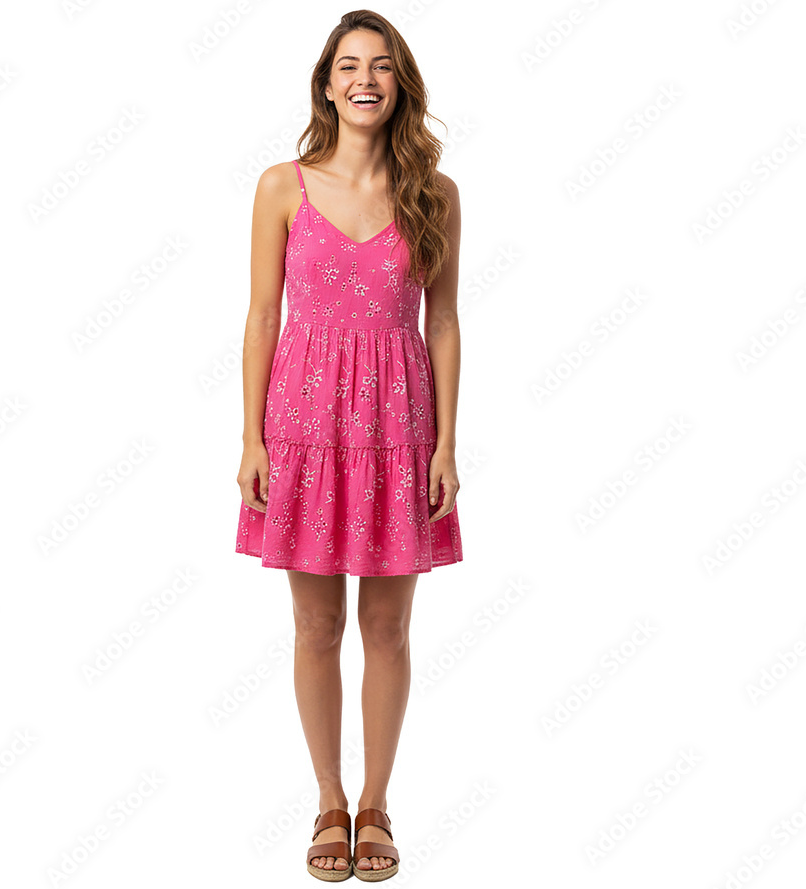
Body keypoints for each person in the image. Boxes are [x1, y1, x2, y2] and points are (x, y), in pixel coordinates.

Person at [235, 9, 463, 882]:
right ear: (327, 85)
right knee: (316, 623)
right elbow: (263, 315)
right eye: (349, 66)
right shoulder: (281, 186)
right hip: (304, 430)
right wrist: (250, 437)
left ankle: (376, 802)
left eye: (382, 66)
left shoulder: (434, 193)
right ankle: (329, 797)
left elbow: (443, 321)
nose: (365, 79)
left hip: (400, 430)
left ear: (399, 84)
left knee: (388, 626)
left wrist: (446, 444)